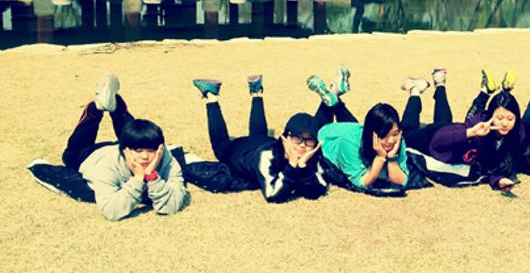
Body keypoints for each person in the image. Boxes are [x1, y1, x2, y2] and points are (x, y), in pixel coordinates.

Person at [62, 73, 189, 221]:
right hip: (91, 156)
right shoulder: (106, 167)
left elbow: (171, 207)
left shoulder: (166, 159)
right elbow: (111, 212)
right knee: (70, 154)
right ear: (125, 150)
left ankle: (116, 105)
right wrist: (138, 179)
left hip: (123, 148)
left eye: (151, 150)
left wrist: (151, 176)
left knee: (135, 135)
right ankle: (95, 109)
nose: (145, 157)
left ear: (160, 148)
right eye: (139, 151)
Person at [191, 73, 331, 202]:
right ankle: (211, 96)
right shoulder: (266, 155)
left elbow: (317, 191)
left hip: (263, 140)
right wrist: (292, 165)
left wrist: (303, 167)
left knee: (258, 135)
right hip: (239, 149)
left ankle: (257, 92)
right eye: (297, 139)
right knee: (220, 146)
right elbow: (272, 195)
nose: (302, 145)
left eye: (309, 140)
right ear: (286, 138)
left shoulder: (314, 155)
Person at [403, 70, 520, 191]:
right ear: (489, 116)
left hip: (448, 130)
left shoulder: (515, 134)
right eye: (499, 118)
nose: (505, 123)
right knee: (406, 134)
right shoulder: (478, 126)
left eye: (510, 119)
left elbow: (491, 166)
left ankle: (440, 83)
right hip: (432, 138)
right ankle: (415, 90)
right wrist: (471, 132)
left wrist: (500, 181)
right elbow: (438, 141)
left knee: (444, 121)